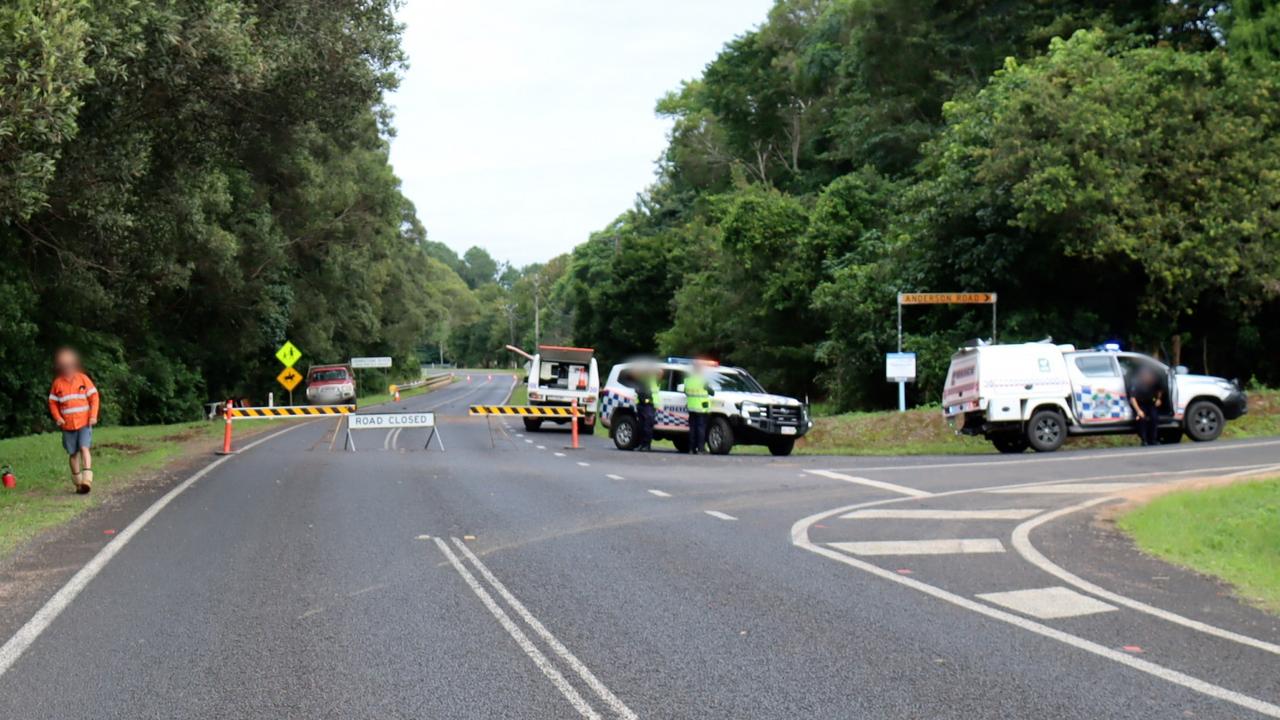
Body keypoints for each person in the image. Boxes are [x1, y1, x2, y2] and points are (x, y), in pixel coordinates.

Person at [48, 347, 100, 494]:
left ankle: (87, 479)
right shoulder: (58, 384)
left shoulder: (83, 379)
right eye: (64, 365)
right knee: (73, 453)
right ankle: (78, 483)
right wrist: (58, 418)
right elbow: (52, 402)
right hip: (68, 425)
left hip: (84, 422)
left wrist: (93, 415)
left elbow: (94, 397)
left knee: (85, 448)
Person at [1128, 365, 1162, 447]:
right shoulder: (1136, 384)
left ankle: (1153, 440)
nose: (1147, 377)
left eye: (1148, 375)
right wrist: (1138, 411)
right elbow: (1132, 399)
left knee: (1154, 418)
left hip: (1151, 404)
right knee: (1141, 418)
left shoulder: (1153, 382)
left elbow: (1160, 390)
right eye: (1144, 375)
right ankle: (1144, 440)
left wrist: (1158, 399)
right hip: (1140, 405)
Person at [683, 363, 714, 454]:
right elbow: (712, 392)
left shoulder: (688, 380)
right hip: (701, 408)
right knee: (701, 429)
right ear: (700, 370)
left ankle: (691, 449)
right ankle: (700, 449)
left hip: (691, 408)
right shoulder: (703, 380)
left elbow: (685, 392)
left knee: (692, 429)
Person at [635, 367, 662, 451]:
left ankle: (646, 445)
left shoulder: (654, 380)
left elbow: (661, 372)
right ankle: (641, 445)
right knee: (641, 427)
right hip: (641, 404)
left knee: (647, 427)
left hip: (649, 405)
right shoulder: (641, 381)